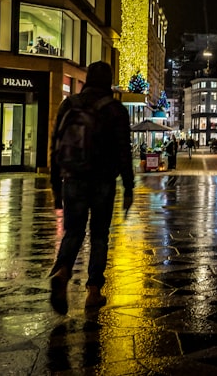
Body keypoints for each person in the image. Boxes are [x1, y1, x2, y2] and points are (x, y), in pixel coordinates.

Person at [48, 61, 134, 314]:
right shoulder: (115, 109)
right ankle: (94, 291)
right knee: (99, 235)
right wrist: (128, 187)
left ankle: (63, 271)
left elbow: (55, 146)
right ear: (108, 81)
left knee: (73, 232)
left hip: (72, 179)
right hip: (103, 182)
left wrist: (56, 187)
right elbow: (122, 152)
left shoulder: (69, 104)